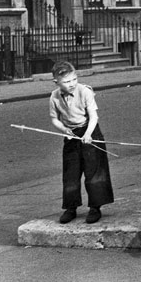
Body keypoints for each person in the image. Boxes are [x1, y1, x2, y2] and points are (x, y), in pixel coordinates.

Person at [48, 61, 114, 224]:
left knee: (94, 171)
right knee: (71, 173)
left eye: (73, 80)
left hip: (89, 130)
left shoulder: (84, 91)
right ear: (56, 82)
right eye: (66, 82)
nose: (71, 84)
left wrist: (88, 134)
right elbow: (54, 119)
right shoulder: (54, 96)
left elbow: (94, 116)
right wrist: (64, 130)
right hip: (71, 134)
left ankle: (95, 207)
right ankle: (71, 208)